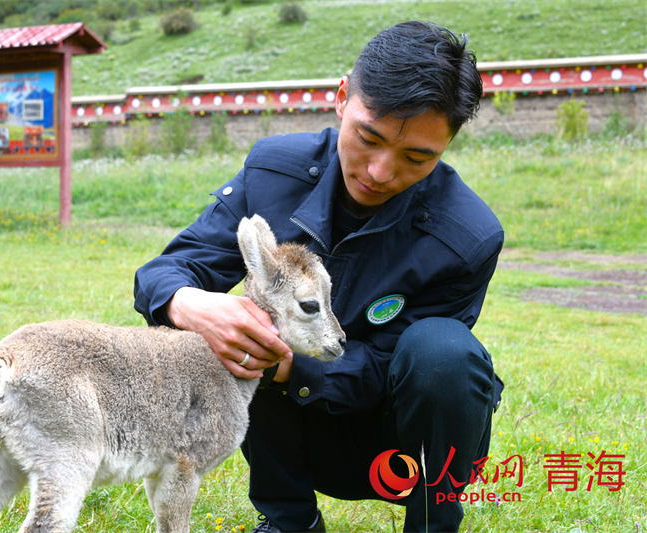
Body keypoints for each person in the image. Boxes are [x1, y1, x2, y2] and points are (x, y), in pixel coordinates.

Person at [134, 20, 504, 533]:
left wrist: (289, 367)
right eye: (367, 137)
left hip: (400, 453)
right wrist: (187, 305)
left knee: (445, 353)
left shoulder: (467, 236)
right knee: (253, 323)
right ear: (341, 97)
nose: (379, 171)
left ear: (447, 144)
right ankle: (288, 521)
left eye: (416, 157)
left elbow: (387, 364)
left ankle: (432, 526)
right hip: (297, 435)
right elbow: (172, 267)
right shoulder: (272, 172)